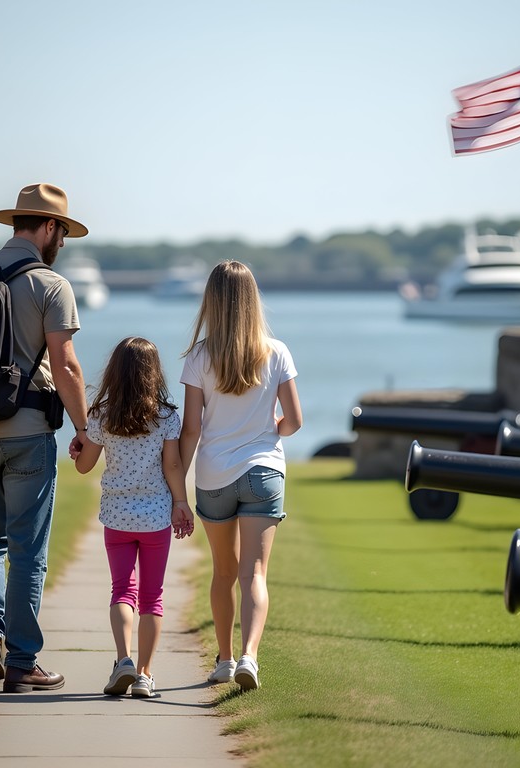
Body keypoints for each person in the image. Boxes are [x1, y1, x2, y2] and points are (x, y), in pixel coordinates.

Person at [0, 183, 92, 693]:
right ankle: (21, 662)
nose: (63, 243)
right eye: (63, 232)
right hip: (29, 432)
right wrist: (85, 430)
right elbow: (67, 366)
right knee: (28, 550)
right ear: (50, 227)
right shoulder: (50, 285)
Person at [179, 260, 302, 690]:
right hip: (264, 471)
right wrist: (269, 432)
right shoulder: (277, 351)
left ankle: (226, 660)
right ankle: (250, 656)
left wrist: (176, 484)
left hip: (214, 477)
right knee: (255, 574)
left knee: (223, 573)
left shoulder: (199, 356)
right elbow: (295, 421)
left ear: (212, 301)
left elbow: (191, 429)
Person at [73, 337, 195, 698]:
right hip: (156, 518)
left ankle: (123, 660)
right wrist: (181, 503)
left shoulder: (101, 415)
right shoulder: (166, 417)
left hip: (117, 518)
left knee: (122, 591)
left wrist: (78, 447)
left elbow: (84, 466)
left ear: (115, 372)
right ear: (153, 373)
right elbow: (172, 465)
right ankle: (145, 674)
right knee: (152, 597)